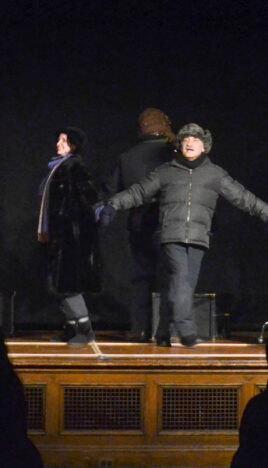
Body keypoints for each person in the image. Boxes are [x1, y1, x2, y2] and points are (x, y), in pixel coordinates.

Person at [97, 123, 268, 347]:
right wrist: (112, 205)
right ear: (180, 146)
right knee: (180, 280)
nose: (190, 142)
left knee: (179, 285)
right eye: (185, 140)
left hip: (198, 237)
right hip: (170, 236)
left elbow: (242, 196)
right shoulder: (166, 171)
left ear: (204, 147)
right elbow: (138, 192)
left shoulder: (215, 174)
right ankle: (186, 329)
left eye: (195, 140)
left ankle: (163, 331)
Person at [104, 108, 177, 342]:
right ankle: (165, 331)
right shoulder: (175, 154)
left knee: (141, 278)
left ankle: (139, 329)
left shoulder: (127, 157)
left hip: (138, 224)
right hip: (170, 224)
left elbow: (111, 192)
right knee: (169, 279)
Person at [38, 127, 102, 346]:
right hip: (57, 237)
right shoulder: (58, 167)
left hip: (71, 238)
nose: (58, 143)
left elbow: (90, 198)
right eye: (58, 139)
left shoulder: (75, 167)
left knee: (69, 286)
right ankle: (72, 328)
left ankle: (85, 330)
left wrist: (81, 230)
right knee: (59, 286)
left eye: (64, 141)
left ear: (74, 145)